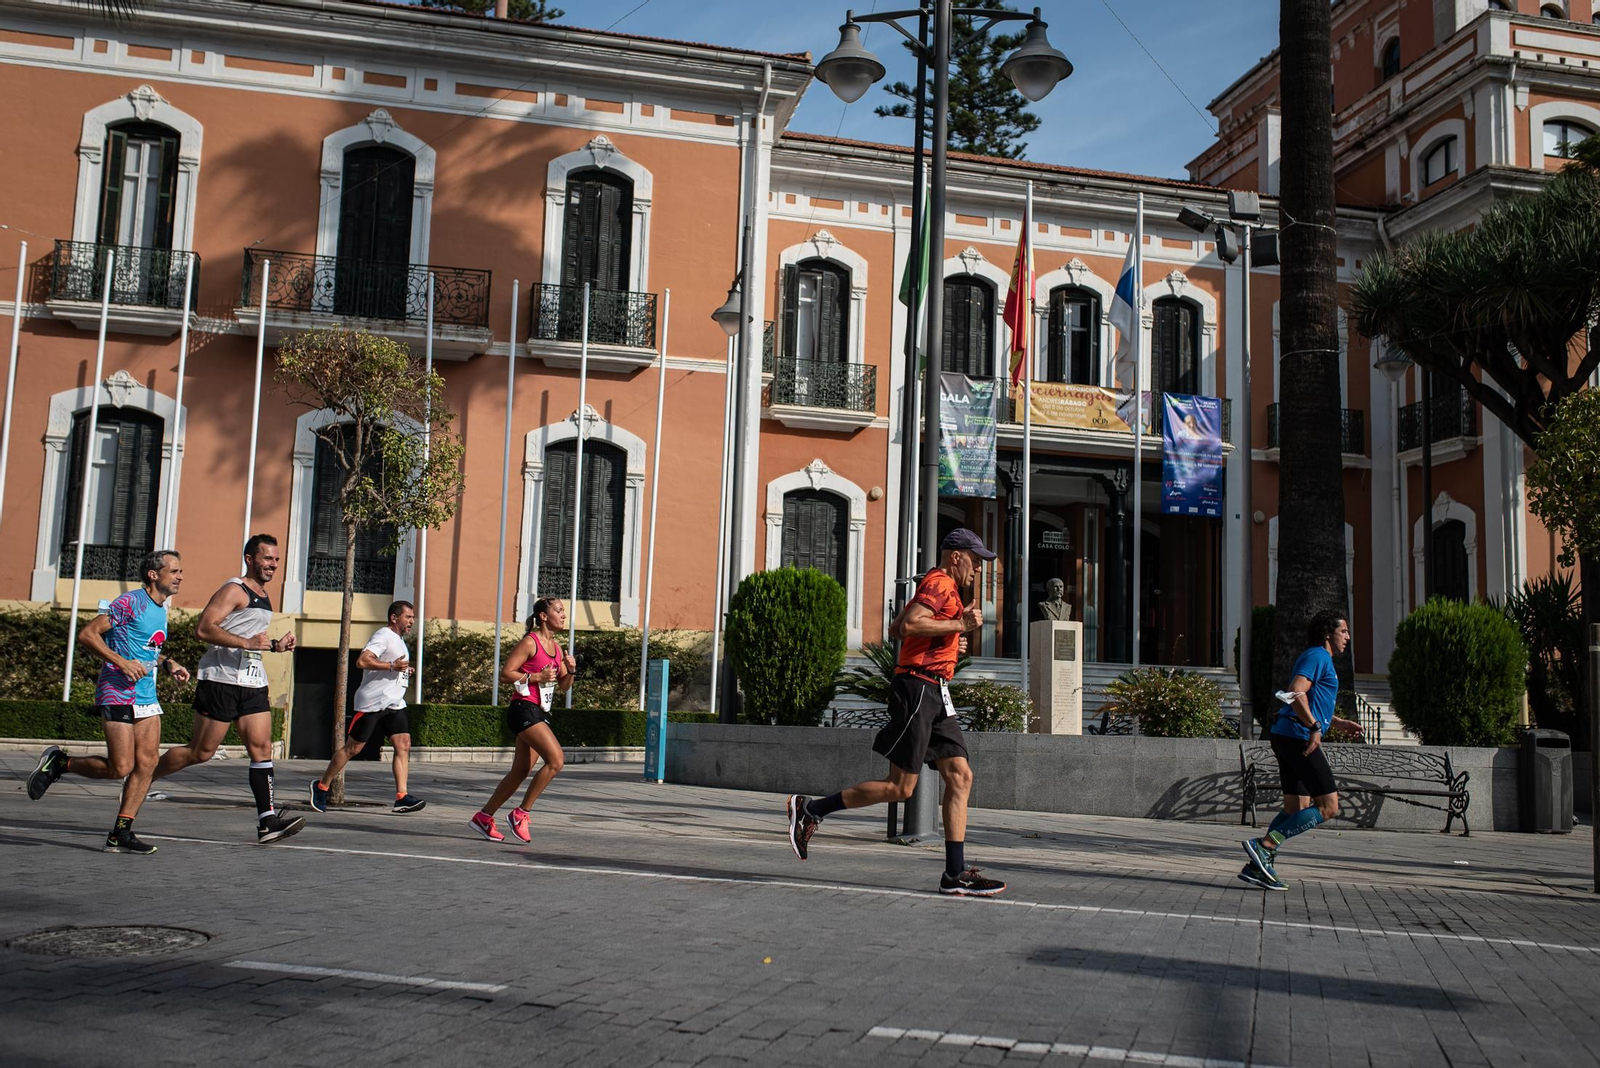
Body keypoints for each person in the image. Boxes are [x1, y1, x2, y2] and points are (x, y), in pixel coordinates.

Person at [786, 528, 1006, 897]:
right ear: (956, 556)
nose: (979, 568)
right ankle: (811, 810)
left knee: (960, 776)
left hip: (936, 691)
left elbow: (896, 628)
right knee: (900, 787)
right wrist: (959, 625)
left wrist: (949, 640)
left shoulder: (940, 586)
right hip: (918, 688)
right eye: (975, 560)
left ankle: (954, 874)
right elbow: (909, 625)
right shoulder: (940, 583)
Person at [26, 550, 192, 854]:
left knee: (148, 763)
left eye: (180, 571)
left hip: (145, 695)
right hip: (117, 691)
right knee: (121, 767)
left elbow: (148, 650)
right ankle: (61, 763)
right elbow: (88, 634)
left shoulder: (160, 609)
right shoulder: (130, 602)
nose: (180, 576)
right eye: (175, 571)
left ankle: (121, 833)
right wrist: (122, 663)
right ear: (154, 574)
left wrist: (169, 664)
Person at [152, 534, 304, 844]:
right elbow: (203, 628)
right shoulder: (235, 590)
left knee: (262, 749)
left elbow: (250, 638)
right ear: (250, 559)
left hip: (252, 682)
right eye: (267, 558)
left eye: (276, 559)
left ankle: (267, 822)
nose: (273, 564)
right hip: (220, 681)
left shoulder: (263, 595)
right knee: (201, 752)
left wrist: (276, 645)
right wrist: (248, 642)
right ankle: (143, 776)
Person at [1239, 610, 1363, 892]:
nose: (1347, 637)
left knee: (1296, 808)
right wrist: (1314, 726)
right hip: (1298, 737)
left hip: (1287, 735)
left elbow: (1310, 700)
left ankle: (1258, 866)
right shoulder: (1318, 656)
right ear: (1327, 633)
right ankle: (1264, 846)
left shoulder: (1319, 658)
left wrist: (1337, 723)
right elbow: (1295, 692)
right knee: (1328, 807)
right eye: (1343, 631)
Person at [468, 597, 576, 844]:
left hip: (539, 712)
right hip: (523, 710)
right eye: (559, 610)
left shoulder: (557, 648)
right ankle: (521, 814)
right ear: (543, 616)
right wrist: (536, 676)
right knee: (556, 760)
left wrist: (570, 670)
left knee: (519, 772)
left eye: (563, 611)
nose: (563, 615)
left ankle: (484, 817)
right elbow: (506, 674)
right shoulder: (530, 642)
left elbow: (564, 686)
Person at [308, 601, 425, 814]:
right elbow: (362, 661)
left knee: (404, 745)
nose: (412, 621)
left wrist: (403, 670)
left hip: (394, 703)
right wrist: (392, 666)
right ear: (394, 617)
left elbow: (392, 668)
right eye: (408, 617)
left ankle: (402, 797)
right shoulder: (383, 635)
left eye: (412, 617)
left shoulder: (399, 640)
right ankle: (322, 786)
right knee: (353, 749)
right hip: (372, 703)